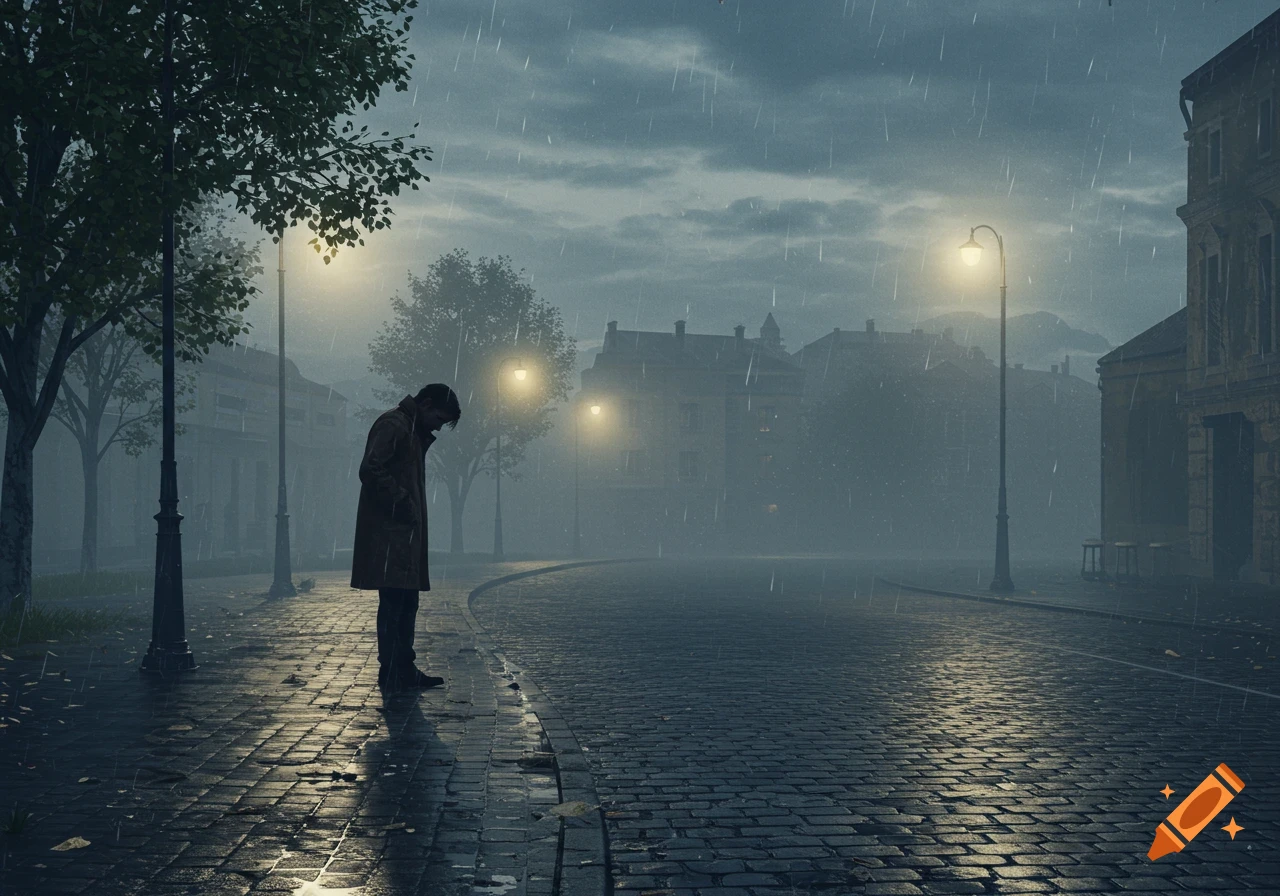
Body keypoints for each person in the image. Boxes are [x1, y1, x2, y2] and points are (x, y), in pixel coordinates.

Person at [351, 384, 461, 690]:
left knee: (404, 601)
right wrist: (402, 501)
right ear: (425, 404)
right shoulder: (395, 425)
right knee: (395, 602)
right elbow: (370, 469)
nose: (439, 426)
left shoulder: (408, 429)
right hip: (391, 534)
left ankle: (400, 668)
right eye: (439, 417)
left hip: (399, 533)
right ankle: (393, 670)